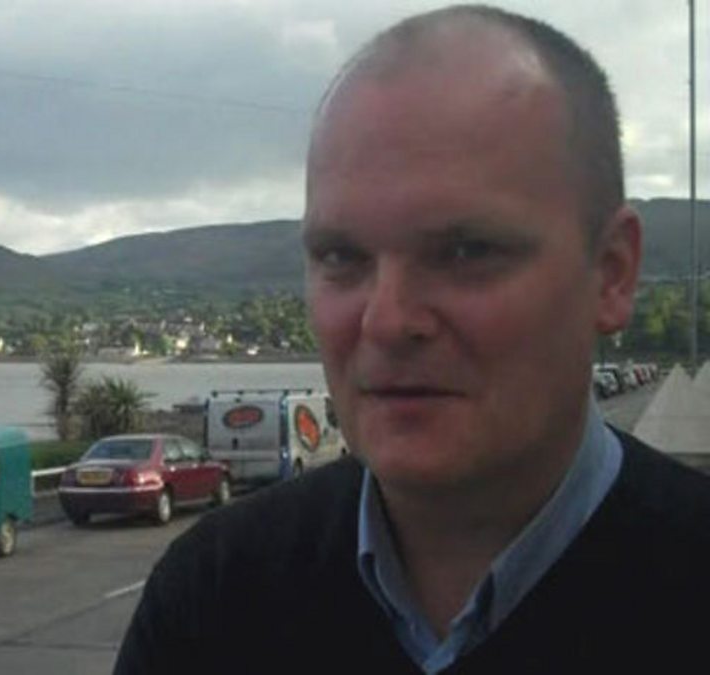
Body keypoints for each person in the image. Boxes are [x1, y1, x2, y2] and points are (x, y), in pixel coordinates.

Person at [115, 5, 710, 673]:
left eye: (465, 251)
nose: (388, 321)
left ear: (612, 273)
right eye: (341, 256)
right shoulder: (213, 596)